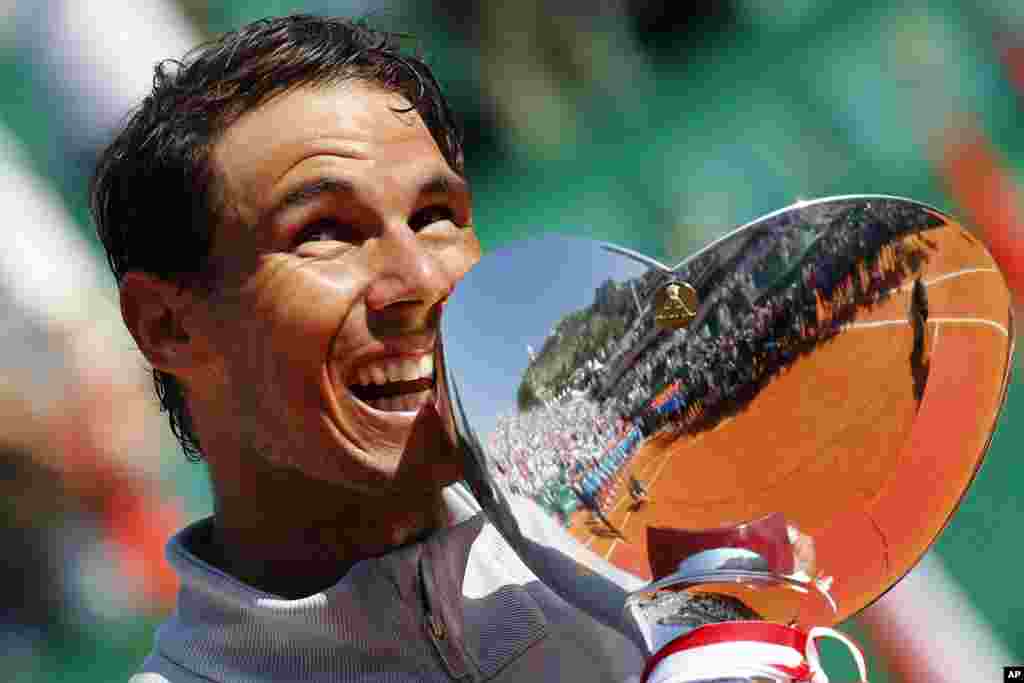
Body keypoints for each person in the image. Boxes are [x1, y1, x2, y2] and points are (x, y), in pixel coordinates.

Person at [92, 14, 643, 683]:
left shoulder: (647, 540)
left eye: (435, 216)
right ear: (168, 327)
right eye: (324, 230)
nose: (419, 282)